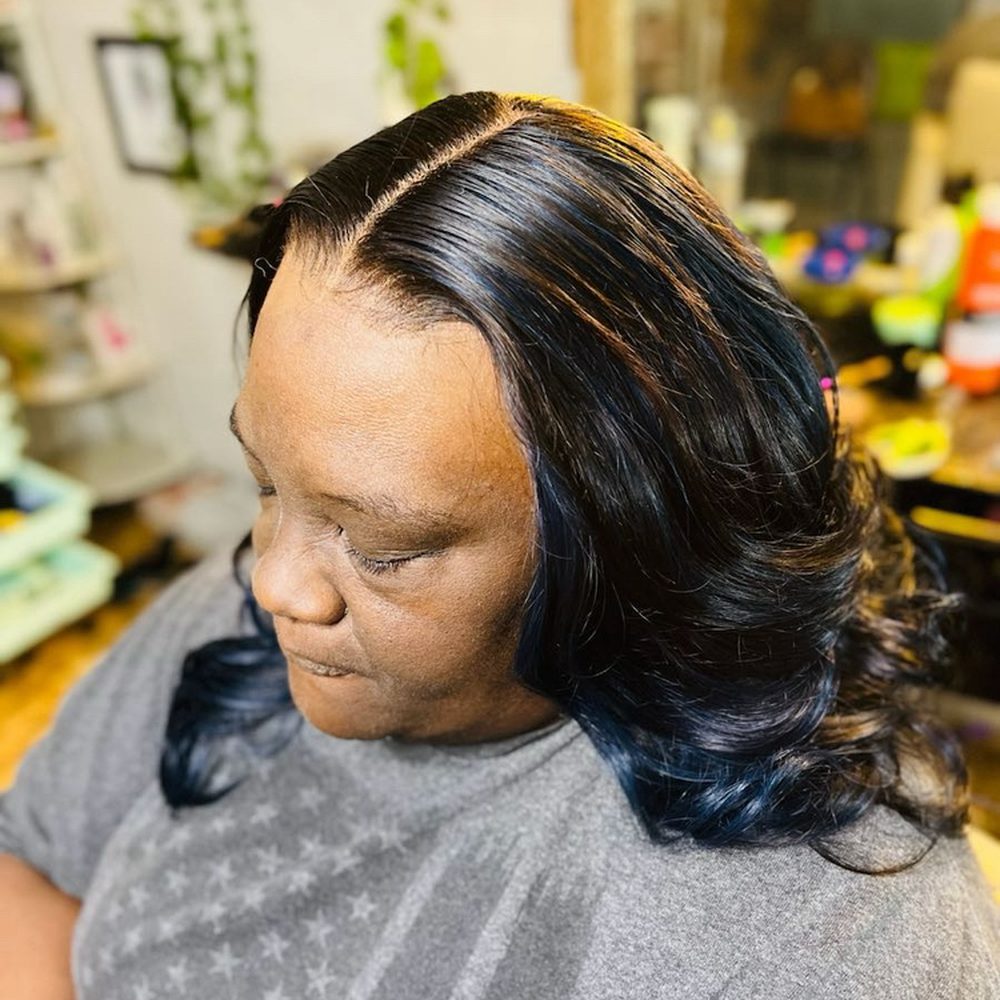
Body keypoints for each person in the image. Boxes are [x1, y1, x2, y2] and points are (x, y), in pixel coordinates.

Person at [1, 91, 997, 999]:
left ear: (628, 533)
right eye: (267, 482)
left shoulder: (834, 932)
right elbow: (26, 858)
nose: (274, 583)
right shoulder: (221, 617)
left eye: (382, 546)